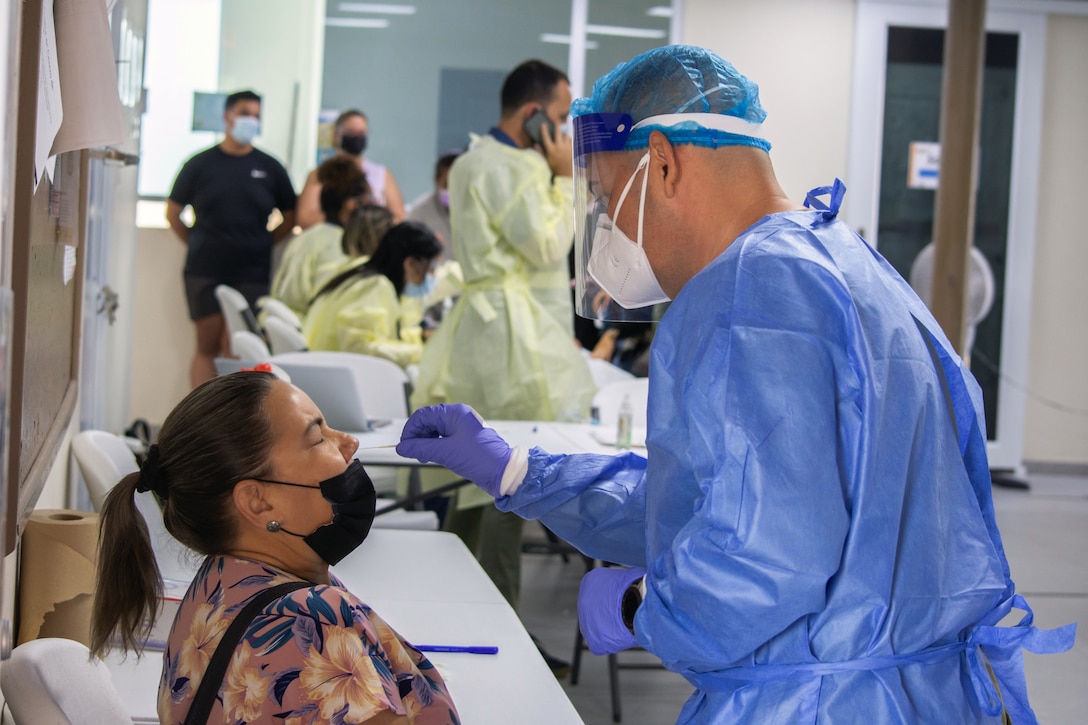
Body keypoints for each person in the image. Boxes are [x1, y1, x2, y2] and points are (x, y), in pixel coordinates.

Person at [395, 46, 1076, 724]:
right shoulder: (844, 261)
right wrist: (519, 471)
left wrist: (639, 605)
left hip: (817, 702)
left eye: (603, 196)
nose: (602, 227)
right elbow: (715, 499)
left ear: (662, 162)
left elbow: (765, 555)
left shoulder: (750, 291)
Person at [91, 371, 459, 723]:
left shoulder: (215, 586)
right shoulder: (311, 623)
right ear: (257, 502)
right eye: (318, 438)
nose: (349, 442)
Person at [409, 60, 596, 618]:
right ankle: (501, 618)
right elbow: (544, 245)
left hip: (480, 326)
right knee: (509, 475)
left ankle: (452, 607)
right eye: (561, 118)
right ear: (534, 115)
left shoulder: (469, 160)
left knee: (473, 471)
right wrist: (565, 177)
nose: (564, 133)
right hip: (513, 333)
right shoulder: (517, 166)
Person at [166, 89, 297, 389]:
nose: (250, 120)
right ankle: (198, 418)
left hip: (252, 270)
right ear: (227, 116)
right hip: (205, 269)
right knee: (206, 345)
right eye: (245, 113)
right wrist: (198, 242)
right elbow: (173, 214)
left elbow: (289, 216)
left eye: (256, 115)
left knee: (241, 349)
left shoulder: (270, 167)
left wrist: (262, 242)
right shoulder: (199, 165)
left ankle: (238, 424)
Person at [304, 221, 442, 368]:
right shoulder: (376, 286)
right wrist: (425, 352)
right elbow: (360, 347)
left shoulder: (363, 275)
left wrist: (420, 337)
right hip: (334, 375)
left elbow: (377, 337)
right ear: (410, 264)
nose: (433, 275)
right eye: (432, 268)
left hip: (326, 368)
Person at [271, 155, 369, 319]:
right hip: (310, 333)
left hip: (286, 326)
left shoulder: (304, 238)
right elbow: (329, 309)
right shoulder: (340, 247)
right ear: (351, 205)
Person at [297, 109, 405, 228]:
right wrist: (342, 219)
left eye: (361, 132)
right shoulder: (322, 174)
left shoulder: (381, 174)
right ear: (336, 135)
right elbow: (305, 218)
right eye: (351, 132)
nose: (356, 136)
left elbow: (398, 217)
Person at [406, 151, 460, 253]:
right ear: (436, 180)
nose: (453, 190)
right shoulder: (421, 210)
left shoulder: (477, 209)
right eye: (447, 184)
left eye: (458, 185)